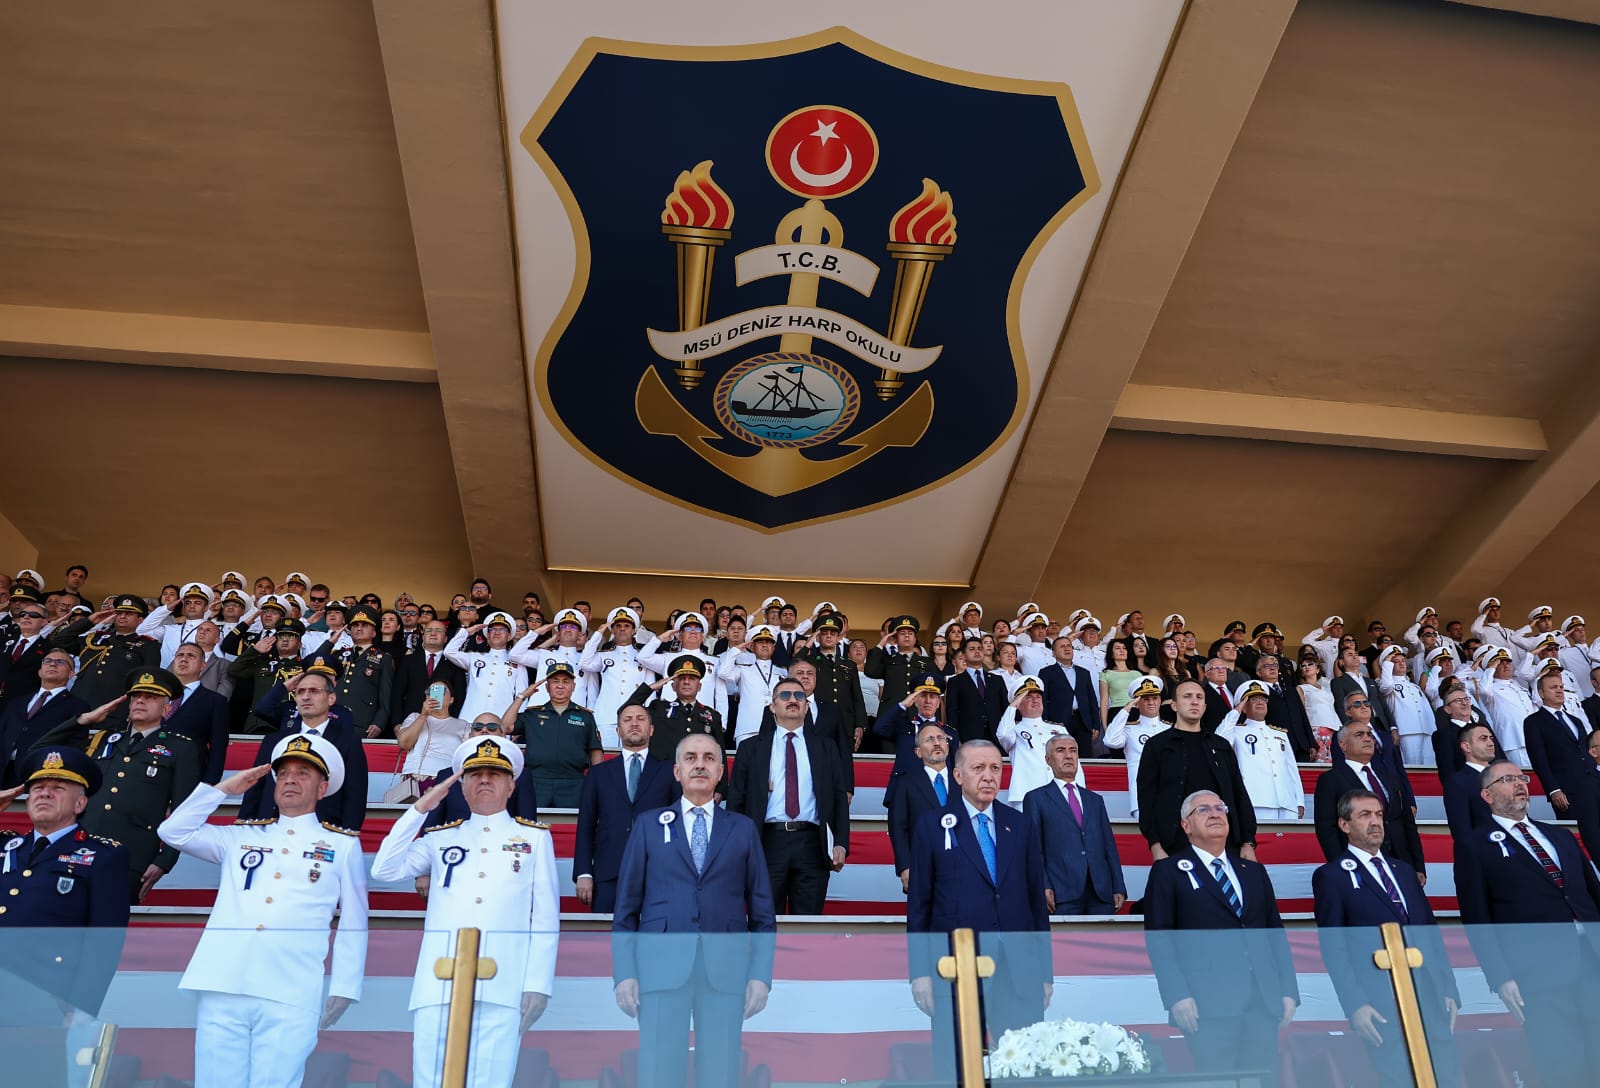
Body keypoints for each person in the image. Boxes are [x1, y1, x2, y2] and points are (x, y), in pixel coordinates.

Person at [157, 733, 368, 1088]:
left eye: (303, 773)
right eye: (283, 773)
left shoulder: (342, 845)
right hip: (224, 981)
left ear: (322, 788)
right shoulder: (240, 837)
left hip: (291, 986)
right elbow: (172, 831)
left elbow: (354, 921)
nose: (290, 780)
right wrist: (223, 789)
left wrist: (346, 985)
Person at [372, 736, 559, 1088]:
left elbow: (545, 918)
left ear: (511, 786)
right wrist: (419, 810)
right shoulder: (441, 837)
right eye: (475, 775)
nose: (484, 780)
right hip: (440, 983)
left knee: (491, 1081)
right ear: (462, 785)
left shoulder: (534, 839)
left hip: (502, 982)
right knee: (432, 1080)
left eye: (494, 774)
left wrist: (537, 984)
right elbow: (384, 869)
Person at [611, 733, 777, 1088]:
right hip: (659, 969)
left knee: (721, 1073)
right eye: (690, 758)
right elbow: (626, 908)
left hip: (726, 971)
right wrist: (624, 973)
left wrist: (760, 976)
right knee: (658, 1073)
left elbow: (763, 912)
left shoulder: (743, 829)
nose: (699, 764)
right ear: (677, 771)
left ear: (720, 771)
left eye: (708, 758)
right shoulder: (648, 825)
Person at [906, 740, 1051, 1078]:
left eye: (995, 768)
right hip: (957, 971)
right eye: (978, 768)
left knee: (1026, 1069)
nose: (989, 776)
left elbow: (1036, 903)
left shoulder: (1020, 825)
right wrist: (920, 973)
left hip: (1019, 972)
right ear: (958, 775)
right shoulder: (932, 825)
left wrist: (1045, 974)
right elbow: (920, 905)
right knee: (955, 1068)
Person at [1455, 760, 1600, 1085]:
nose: (1520, 784)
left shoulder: (1560, 835)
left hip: (1591, 958)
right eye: (1508, 780)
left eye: (1521, 778)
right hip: (1536, 970)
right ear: (1487, 795)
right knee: (1562, 1058)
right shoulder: (1474, 845)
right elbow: (1477, 917)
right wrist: (1500, 976)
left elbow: (1593, 893)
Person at [1143, 790, 1297, 1084]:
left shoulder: (1253, 872)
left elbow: (1275, 935)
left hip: (1261, 1002)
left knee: (1264, 1081)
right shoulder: (1168, 872)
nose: (1215, 813)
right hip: (1206, 1005)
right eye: (1203, 810)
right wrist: (1177, 995)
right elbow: (1160, 940)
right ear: (1186, 826)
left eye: (1220, 808)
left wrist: (1288, 990)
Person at [1312, 790, 1460, 1088]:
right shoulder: (1331, 876)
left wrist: (1448, 988)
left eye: (1379, 814)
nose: (1375, 822)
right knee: (1399, 1078)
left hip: (1429, 995)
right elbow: (1334, 948)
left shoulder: (1403, 871)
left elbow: (1430, 932)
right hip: (1380, 1000)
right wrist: (1355, 1004)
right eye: (1365, 815)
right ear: (1344, 825)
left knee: (1446, 1076)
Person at [0, 746, 130, 1013]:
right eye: (37, 788)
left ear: (80, 804)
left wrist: (81, 1008)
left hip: (43, 995)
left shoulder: (103, 856)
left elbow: (104, 943)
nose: (45, 793)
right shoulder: (6, 845)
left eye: (58, 788)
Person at [79, 667, 202, 902]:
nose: (140, 701)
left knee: (109, 921)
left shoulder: (181, 748)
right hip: (82, 845)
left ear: (166, 709)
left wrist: (165, 860)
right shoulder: (104, 739)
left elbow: (184, 810)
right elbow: (43, 749)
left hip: (131, 853)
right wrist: (83, 720)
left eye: (151, 697)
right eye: (136, 696)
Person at [728, 677, 850, 915]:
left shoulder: (826, 747)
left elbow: (838, 797)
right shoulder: (751, 748)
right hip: (766, 842)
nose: (793, 700)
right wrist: (738, 846)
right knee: (763, 920)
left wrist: (841, 843)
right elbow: (736, 801)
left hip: (813, 844)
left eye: (799, 696)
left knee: (807, 924)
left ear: (806, 706)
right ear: (772, 707)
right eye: (785, 695)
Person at [574, 702, 679, 913]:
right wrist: (584, 873)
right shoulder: (599, 773)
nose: (634, 724)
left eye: (640, 719)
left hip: (657, 872)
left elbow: (678, 825)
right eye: (627, 720)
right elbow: (586, 825)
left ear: (651, 729)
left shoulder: (670, 772)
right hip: (608, 873)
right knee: (606, 934)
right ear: (618, 731)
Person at [238, 668, 370, 831]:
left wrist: (346, 835)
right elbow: (255, 790)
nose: (306, 697)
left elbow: (355, 795)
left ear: (331, 698)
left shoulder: (348, 742)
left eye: (314, 691)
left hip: (323, 833)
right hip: (272, 830)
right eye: (300, 692)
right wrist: (244, 828)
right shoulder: (273, 741)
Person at [1138, 680, 1258, 860]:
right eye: (1187, 697)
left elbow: (1239, 793)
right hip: (1174, 844)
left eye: (1199, 697)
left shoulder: (1221, 746)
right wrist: (1155, 845)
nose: (1194, 701)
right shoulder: (1157, 746)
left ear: (1205, 706)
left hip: (1226, 844)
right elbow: (1146, 798)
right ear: (1174, 705)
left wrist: (1248, 842)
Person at [1314, 714, 1425, 875]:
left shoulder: (1388, 777)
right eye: (1359, 735)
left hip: (1401, 862)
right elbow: (1326, 828)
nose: (1367, 739)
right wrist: (1344, 867)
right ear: (1343, 745)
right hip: (1359, 864)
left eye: (1369, 735)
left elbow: (1407, 823)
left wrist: (1418, 866)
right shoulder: (1331, 780)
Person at [1026, 734, 1124, 915]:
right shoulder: (1036, 798)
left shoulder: (1094, 800)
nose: (1068, 756)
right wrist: (1043, 884)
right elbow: (1034, 848)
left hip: (1101, 892)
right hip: (1061, 892)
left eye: (1073, 751)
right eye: (1060, 750)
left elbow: (1109, 847)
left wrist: (1118, 886)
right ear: (1048, 760)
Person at [1523, 668, 1600, 866]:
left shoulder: (1575, 720)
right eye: (1553, 687)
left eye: (1561, 687)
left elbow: (1586, 754)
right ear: (1541, 693)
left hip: (1593, 786)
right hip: (1567, 792)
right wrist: (1553, 790)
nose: (1559, 691)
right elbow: (1539, 759)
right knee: (1580, 840)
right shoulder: (1533, 722)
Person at [49, 593, 160, 729]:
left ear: (140, 620)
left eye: (129, 614)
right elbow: (59, 641)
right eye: (119, 613)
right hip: (78, 704)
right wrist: (89, 621)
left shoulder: (147, 645)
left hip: (113, 710)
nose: (122, 616)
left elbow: (147, 680)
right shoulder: (95, 638)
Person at [0, 648, 88, 788]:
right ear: (40, 671)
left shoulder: (77, 706)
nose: (52, 664)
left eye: (61, 662)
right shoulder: (16, 703)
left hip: (39, 774)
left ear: (71, 674)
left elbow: (74, 745)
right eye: (48, 661)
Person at [1217, 679, 1304, 821]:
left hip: (1287, 802)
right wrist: (1236, 711)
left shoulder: (1280, 734)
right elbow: (1219, 739)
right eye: (1253, 699)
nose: (1260, 702)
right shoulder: (1236, 731)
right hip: (1257, 800)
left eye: (1263, 699)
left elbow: (1291, 769)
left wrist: (1299, 801)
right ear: (1244, 707)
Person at [875, 672, 956, 811]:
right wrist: (903, 705)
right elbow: (879, 728)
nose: (928, 701)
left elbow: (955, 766)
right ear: (915, 700)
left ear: (939, 702)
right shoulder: (904, 727)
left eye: (933, 696)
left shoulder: (949, 733)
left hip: (939, 794)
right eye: (923, 696)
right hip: (905, 794)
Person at [887, 722, 953, 894]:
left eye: (941, 738)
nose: (937, 743)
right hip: (922, 866)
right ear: (918, 752)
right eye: (929, 739)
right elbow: (898, 827)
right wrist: (905, 867)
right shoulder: (905, 784)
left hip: (963, 866)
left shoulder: (964, 781)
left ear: (947, 745)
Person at [995, 676, 1078, 809]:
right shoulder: (1014, 729)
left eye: (1038, 697)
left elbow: (1073, 760)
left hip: (1061, 793)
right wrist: (1012, 706)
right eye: (1028, 697)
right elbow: (1003, 734)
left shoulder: (1059, 729)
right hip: (1027, 794)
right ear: (1019, 703)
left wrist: (1078, 790)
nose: (1035, 700)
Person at [580, 606, 654, 748]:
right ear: (612, 630)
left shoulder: (643, 656)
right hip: (607, 714)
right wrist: (599, 633)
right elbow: (584, 662)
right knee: (606, 755)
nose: (622, 629)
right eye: (618, 626)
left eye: (627, 626)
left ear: (634, 630)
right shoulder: (604, 655)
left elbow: (650, 689)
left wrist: (649, 717)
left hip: (635, 717)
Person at [633, 656, 726, 763]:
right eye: (681, 678)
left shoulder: (712, 716)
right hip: (665, 771)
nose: (686, 682)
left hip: (697, 772)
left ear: (699, 686)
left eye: (692, 679)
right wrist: (650, 688)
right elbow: (627, 710)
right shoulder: (659, 708)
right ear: (673, 686)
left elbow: (720, 757)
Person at [163, 642, 232, 784]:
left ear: (202, 666)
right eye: (179, 655)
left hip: (188, 776)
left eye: (191, 656)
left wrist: (208, 785)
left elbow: (218, 748)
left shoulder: (215, 701)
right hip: (149, 776)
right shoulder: (155, 696)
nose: (183, 659)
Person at [444, 611, 529, 724]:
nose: (497, 632)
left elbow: (522, 695)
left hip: (502, 719)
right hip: (470, 718)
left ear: (509, 636)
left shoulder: (518, 663)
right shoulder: (474, 658)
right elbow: (449, 652)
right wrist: (466, 632)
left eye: (502, 630)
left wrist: (517, 723)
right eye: (492, 629)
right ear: (487, 635)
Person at [1104, 675, 1168, 819]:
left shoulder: (1169, 729)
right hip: (1142, 794)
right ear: (1137, 703)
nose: (1151, 702)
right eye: (1145, 699)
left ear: (1160, 701)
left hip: (1168, 794)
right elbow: (1110, 740)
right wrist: (1126, 709)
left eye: (1155, 698)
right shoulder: (1129, 729)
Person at [393, 683, 472, 798]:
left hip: (448, 781)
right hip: (416, 779)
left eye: (441, 691)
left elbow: (467, 755)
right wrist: (423, 716)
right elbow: (404, 744)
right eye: (430, 691)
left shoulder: (462, 725)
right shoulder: (414, 717)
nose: (435, 694)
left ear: (451, 699)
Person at [715, 623, 787, 745]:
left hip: (777, 727)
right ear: (752, 647)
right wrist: (736, 650)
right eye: (760, 642)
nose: (765, 645)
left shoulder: (782, 672)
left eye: (769, 642)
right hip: (748, 728)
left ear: (774, 648)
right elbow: (722, 672)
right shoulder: (743, 670)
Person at [394, 618, 467, 726]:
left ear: (446, 638)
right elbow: (397, 694)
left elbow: (460, 697)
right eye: (429, 630)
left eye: (438, 630)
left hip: (443, 724)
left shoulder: (454, 663)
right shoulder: (408, 661)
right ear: (423, 636)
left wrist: (453, 722)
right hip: (410, 722)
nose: (433, 633)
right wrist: (397, 723)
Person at [1037, 636, 1100, 752]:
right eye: (1062, 646)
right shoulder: (1046, 672)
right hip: (1057, 722)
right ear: (1054, 653)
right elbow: (1043, 700)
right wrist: (1044, 723)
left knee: (1085, 756)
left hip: (1083, 721)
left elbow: (1092, 700)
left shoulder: (1084, 673)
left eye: (1069, 646)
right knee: (1060, 754)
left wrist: (1096, 724)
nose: (1067, 649)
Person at [943, 635, 1003, 745]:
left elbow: (1005, 708)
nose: (977, 651)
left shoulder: (997, 680)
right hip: (968, 737)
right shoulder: (955, 681)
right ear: (964, 655)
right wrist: (956, 738)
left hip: (997, 736)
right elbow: (952, 712)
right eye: (972, 649)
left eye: (980, 648)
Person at [1443, 722, 1497, 839]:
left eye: (1491, 738)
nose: (1491, 743)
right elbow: (1461, 831)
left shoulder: (1505, 776)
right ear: (1467, 746)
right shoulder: (1457, 782)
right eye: (1483, 738)